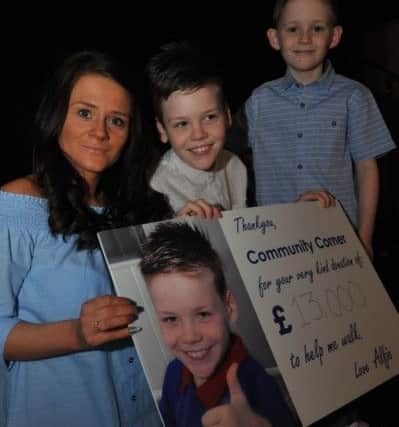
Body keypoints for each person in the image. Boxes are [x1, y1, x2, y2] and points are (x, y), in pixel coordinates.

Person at [0, 50, 172, 427]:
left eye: (116, 120)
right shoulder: (17, 205)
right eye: (84, 112)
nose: (100, 131)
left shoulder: (135, 209)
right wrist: (76, 333)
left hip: (144, 411)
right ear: (56, 114)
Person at [229, 0, 396, 259]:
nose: (305, 38)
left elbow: (366, 169)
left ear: (334, 36)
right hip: (275, 241)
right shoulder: (259, 100)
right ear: (275, 38)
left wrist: (364, 237)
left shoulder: (354, 96)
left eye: (317, 28)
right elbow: (224, 153)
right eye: (293, 29)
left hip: (339, 238)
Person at [140, 221, 297, 427]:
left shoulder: (258, 385)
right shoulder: (174, 372)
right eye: (171, 319)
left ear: (229, 308)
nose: (190, 336)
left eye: (203, 314)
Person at [146, 41, 248, 218]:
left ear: (228, 116)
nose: (199, 134)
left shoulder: (235, 165)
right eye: (182, 124)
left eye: (209, 117)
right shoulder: (156, 187)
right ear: (162, 130)